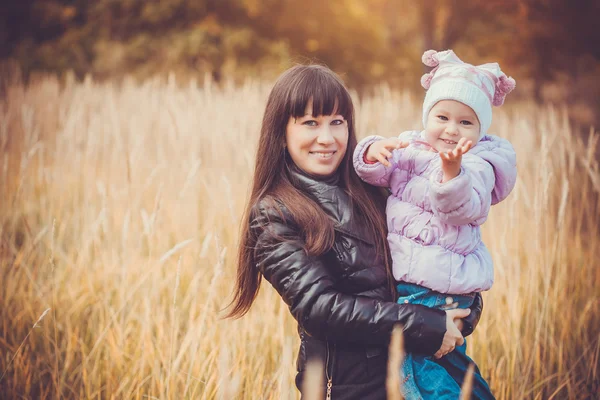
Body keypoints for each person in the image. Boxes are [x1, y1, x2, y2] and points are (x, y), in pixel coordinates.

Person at [226, 63, 484, 399]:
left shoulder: (374, 185)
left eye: (337, 122)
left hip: (420, 374)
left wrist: (464, 311)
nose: (327, 138)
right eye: (310, 123)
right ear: (281, 131)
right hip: (349, 388)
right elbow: (320, 309)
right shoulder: (274, 213)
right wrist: (427, 326)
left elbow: (440, 251)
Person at [352, 50, 517, 399]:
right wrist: (371, 151)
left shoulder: (478, 164)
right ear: (427, 115)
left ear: (480, 129)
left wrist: (452, 172)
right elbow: (377, 172)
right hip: (418, 286)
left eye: (465, 122)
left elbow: (460, 208)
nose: (451, 129)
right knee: (454, 368)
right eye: (442, 116)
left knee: (417, 373)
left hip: (435, 289)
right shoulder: (411, 146)